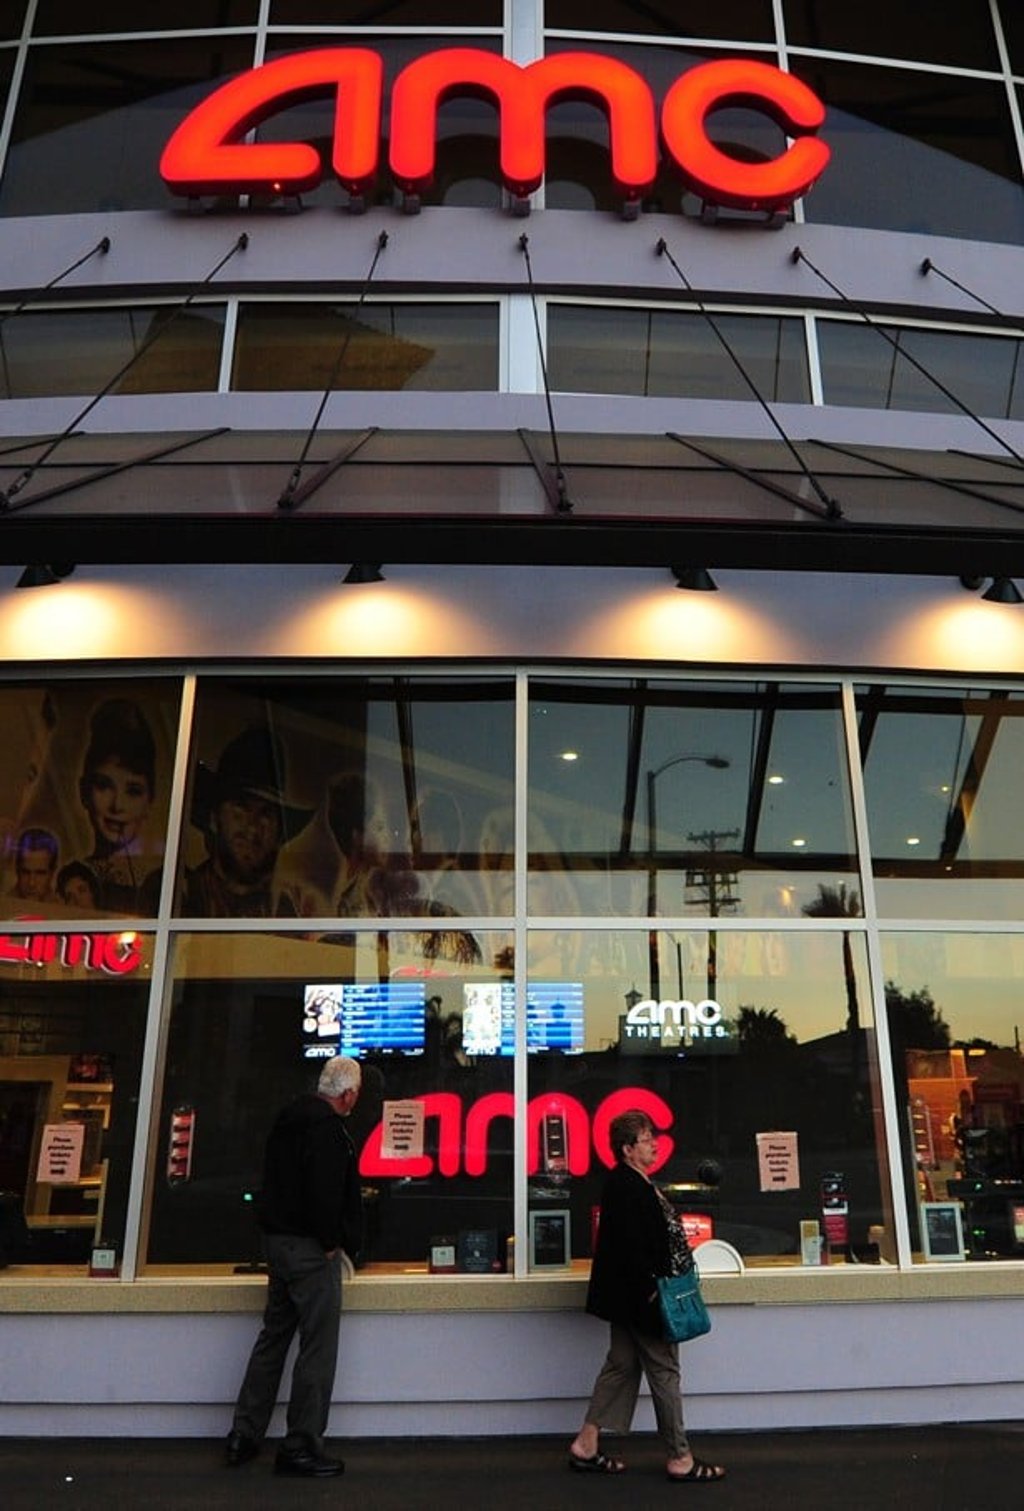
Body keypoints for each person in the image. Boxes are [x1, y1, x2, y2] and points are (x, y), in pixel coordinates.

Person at [568, 1109, 726, 1484]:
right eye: (647, 1138)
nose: (655, 1143)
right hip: (644, 1300)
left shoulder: (630, 1183)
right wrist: (653, 1293)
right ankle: (680, 1456)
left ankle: (586, 1444)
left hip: (628, 1300)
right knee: (665, 1371)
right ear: (627, 1149)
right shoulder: (630, 1188)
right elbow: (633, 1250)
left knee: (621, 1364)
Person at [226, 1055, 363, 1478]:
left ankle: (243, 1434)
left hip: (277, 1244)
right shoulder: (327, 1129)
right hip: (309, 1251)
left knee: (273, 1337)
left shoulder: (287, 1118)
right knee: (317, 1348)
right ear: (348, 1094)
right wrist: (330, 1242)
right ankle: (300, 1444)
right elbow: (324, 1192)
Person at [181, 726, 314, 917]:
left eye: (266, 813)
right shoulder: (182, 894)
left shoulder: (286, 910)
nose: (252, 828)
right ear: (213, 816)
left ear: (279, 831)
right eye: (241, 807)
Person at [78, 698, 161, 913]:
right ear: (84, 792)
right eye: (104, 786)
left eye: (133, 791)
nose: (117, 805)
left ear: (149, 800)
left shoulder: (165, 885)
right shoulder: (70, 879)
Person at [12, 827, 59, 900]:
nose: (31, 883)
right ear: (17, 870)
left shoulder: (63, 909)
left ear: (52, 873)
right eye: (25, 872)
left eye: (40, 873)